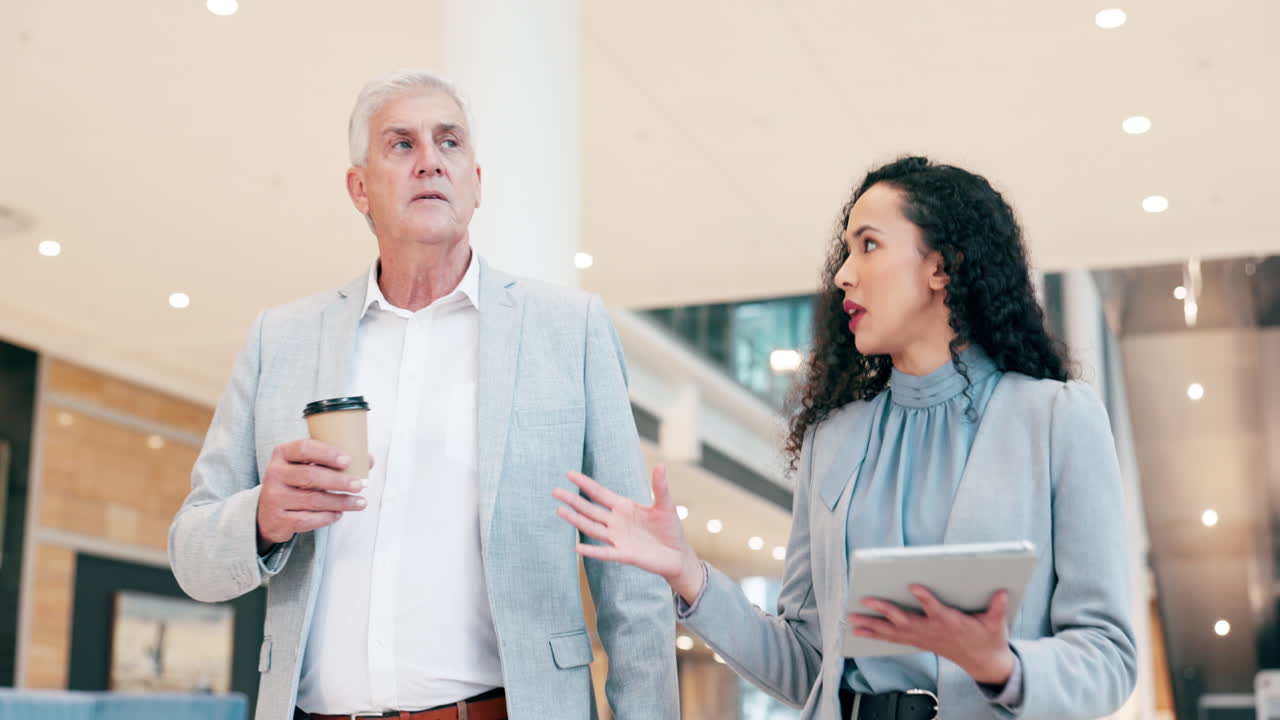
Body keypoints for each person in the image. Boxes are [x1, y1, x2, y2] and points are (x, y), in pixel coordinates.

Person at [169, 69, 678, 720]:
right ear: (359, 188)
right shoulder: (281, 338)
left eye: (450, 142)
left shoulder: (568, 331)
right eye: (401, 145)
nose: (430, 161)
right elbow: (192, 553)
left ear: (477, 183)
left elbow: (632, 582)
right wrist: (263, 518)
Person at [555, 156, 1137, 719]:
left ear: (941, 267)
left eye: (870, 245)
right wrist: (689, 575)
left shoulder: (1057, 418)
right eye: (848, 249)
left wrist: (1002, 667)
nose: (843, 274)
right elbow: (810, 665)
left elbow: (1108, 655)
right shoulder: (835, 439)